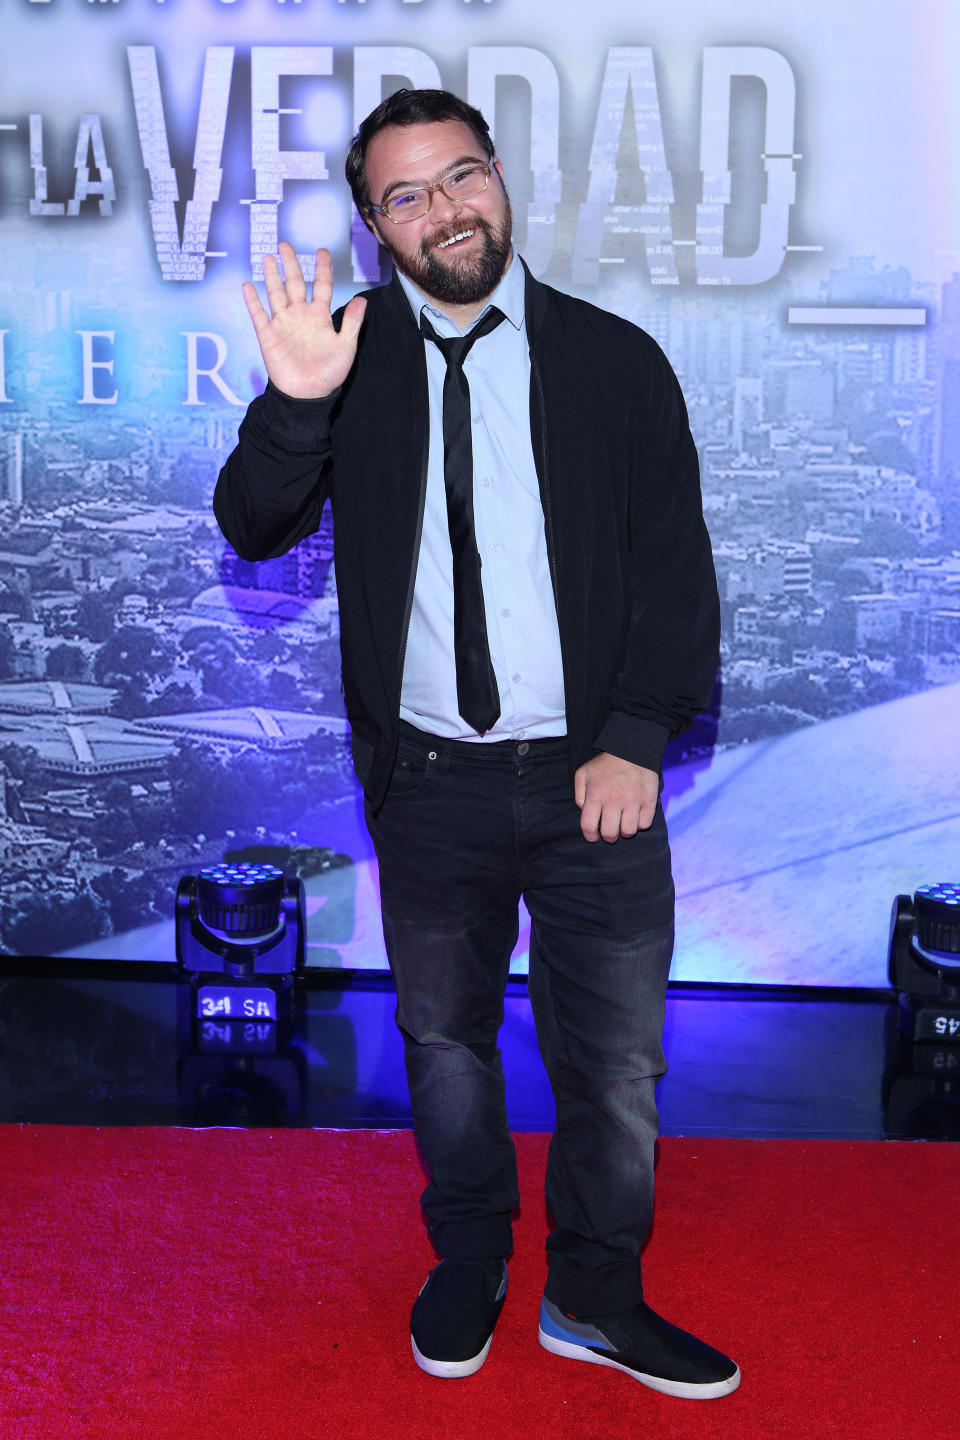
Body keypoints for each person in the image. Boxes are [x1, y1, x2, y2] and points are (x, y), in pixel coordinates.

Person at [214, 87, 739, 1400]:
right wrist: (294, 404)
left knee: (615, 1061)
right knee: (443, 1044)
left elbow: (676, 570)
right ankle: (469, 1260)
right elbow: (253, 526)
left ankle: (596, 1294)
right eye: (407, 194)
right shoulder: (345, 356)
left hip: (595, 783)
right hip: (430, 787)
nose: (444, 210)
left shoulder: (615, 363)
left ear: (500, 178)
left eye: (460, 177)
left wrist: (633, 737)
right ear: (375, 225)